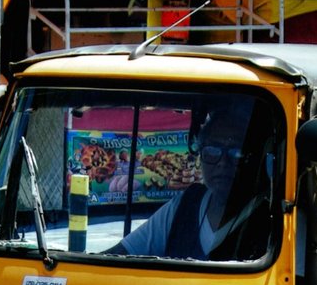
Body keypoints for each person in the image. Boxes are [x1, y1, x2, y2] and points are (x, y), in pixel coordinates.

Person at [106, 104, 251, 259]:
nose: (223, 163)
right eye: (212, 150)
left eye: (237, 152)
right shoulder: (185, 204)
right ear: (200, 154)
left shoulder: (264, 215)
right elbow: (120, 254)